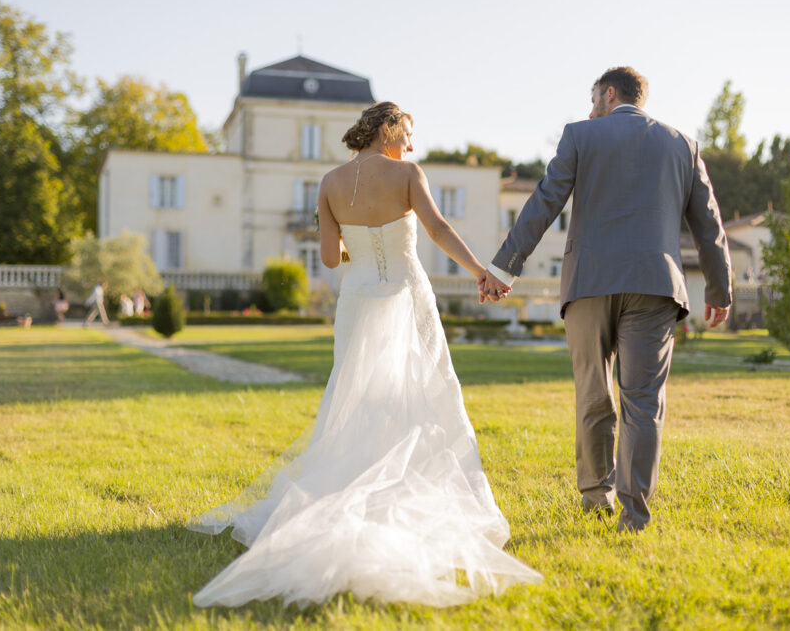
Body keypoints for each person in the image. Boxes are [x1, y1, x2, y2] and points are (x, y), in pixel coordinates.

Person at [188, 102, 541, 608]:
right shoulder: (407, 173)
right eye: (408, 134)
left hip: (357, 299)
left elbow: (330, 258)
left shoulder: (329, 182)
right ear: (387, 129)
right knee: (421, 391)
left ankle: (345, 491)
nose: (412, 146)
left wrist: (358, 243)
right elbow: (438, 229)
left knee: (354, 395)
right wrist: (480, 271)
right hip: (405, 291)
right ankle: (400, 495)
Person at [480, 66, 732, 533]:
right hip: (655, 286)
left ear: (609, 93)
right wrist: (719, 289)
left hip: (588, 284)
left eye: (592, 96)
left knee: (593, 395)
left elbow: (544, 201)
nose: (589, 106)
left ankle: (598, 498)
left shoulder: (580, 136)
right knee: (643, 401)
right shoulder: (683, 145)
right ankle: (635, 516)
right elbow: (710, 224)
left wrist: (503, 267)